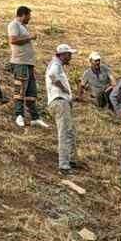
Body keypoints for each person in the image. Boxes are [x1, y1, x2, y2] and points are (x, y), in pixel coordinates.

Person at [45, 43, 79, 174]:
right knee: (64, 133)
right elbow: (53, 76)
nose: (71, 57)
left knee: (69, 131)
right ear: (63, 55)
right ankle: (64, 165)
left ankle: (70, 160)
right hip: (59, 101)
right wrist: (64, 89)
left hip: (61, 102)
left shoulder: (57, 64)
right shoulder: (56, 64)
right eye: (69, 54)